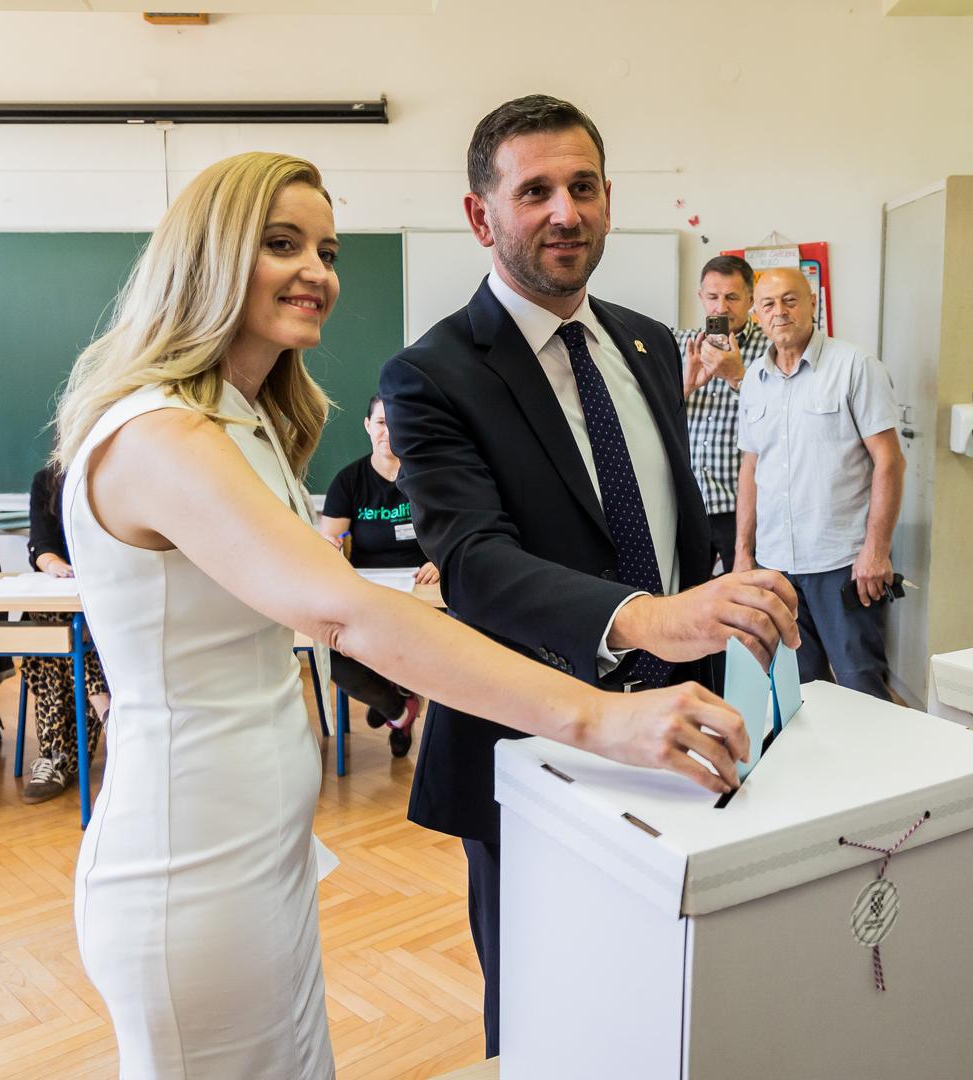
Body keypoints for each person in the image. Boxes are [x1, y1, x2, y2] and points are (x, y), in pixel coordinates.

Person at [54, 150, 757, 1080]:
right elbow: (344, 613)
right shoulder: (161, 433)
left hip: (261, 844)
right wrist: (601, 716)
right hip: (190, 861)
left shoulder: (238, 423)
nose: (316, 272)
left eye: (327, 251)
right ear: (207, 256)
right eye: (280, 244)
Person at [380, 95, 801, 1057]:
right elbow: (475, 565)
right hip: (530, 744)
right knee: (546, 1011)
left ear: (609, 197)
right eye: (534, 191)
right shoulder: (431, 375)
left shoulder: (649, 344)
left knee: (668, 994)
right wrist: (652, 618)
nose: (565, 212)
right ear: (481, 215)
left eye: (582, 187)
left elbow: (666, 522)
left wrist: (723, 608)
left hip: (682, 731)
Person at [733, 266, 906, 700]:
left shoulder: (854, 367)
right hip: (776, 564)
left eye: (790, 300)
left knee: (860, 685)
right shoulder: (753, 379)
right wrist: (743, 554)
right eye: (768, 304)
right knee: (798, 692)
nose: (780, 311)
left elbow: (889, 461)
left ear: (813, 303)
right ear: (756, 314)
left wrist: (876, 550)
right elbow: (751, 469)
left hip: (841, 563)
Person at [319, 394, 438, 757]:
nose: (389, 431)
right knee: (329, 651)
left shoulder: (427, 477)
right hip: (368, 592)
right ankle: (397, 708)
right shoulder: (349, 480)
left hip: (423, 592)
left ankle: (391, 694)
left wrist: (440, 560)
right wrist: (331, 548)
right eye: (382, 422)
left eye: (397, 422)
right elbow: (329, 539)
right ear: (368, 426)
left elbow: (453, 532)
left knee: (412, 638)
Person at [19, 462, 111, 802]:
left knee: (64, 632)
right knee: (62, 627)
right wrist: (56, 567)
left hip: (119, 601)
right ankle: (108, 714)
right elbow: (41, 545)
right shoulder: (48, 479)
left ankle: (55, 757)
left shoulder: (127, 474)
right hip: (70, 603)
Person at [675, 254, 767, 573]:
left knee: (743, 592)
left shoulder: (771, 350)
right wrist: (685, 387)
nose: (721, 307)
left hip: (741, 503)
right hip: (686, 501)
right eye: (713, 297)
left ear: (750, 300)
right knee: (685, 593)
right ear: (700, 297)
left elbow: (783, 419)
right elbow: (649, 416)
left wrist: (738, 376)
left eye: (732, 297)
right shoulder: (679, 344)